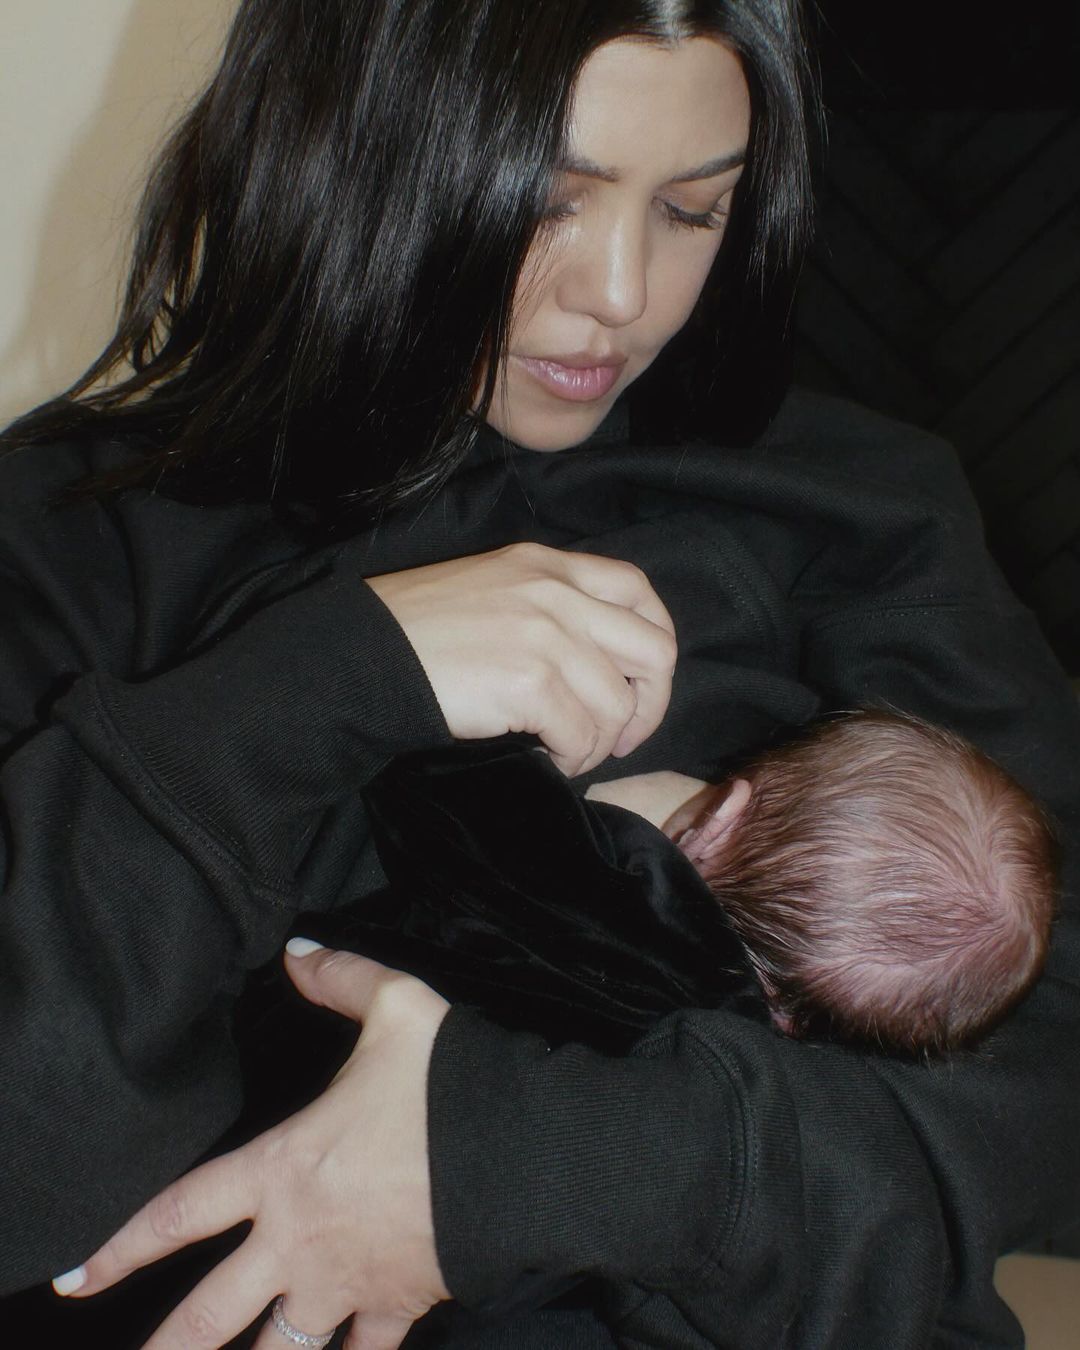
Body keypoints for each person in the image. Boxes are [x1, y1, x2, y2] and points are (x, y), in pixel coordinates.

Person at [0, 1, 1075, 1348]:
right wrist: (334, 676)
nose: (622, 292)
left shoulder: (866, 510)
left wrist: (516, 1160)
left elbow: (1044, 1076)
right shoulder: (72, 536)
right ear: (357, 145)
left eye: (694, 211)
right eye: (551, 202)